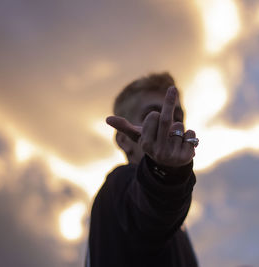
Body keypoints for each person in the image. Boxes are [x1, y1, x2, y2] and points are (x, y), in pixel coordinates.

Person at [85, 72, 199, 267]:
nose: (168, 125)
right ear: (123, 140)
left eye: (176, 117)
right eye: (153, 116)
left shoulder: (177, 228)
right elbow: (147, 214)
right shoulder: (119, 183)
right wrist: (165, 173)